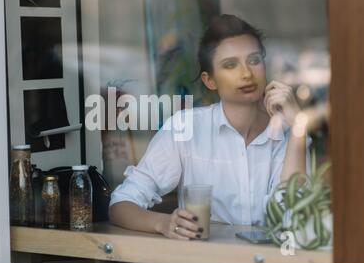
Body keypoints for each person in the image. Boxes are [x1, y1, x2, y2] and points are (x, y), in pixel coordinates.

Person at [109, 14, 311, 240]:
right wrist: (164, 223)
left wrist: (297, 130)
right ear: (209, 81)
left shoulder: (288, 132)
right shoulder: (185, 128)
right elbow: (121, 204)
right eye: (230, 65)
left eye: (254, 60)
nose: (246, 73)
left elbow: (294, 220)